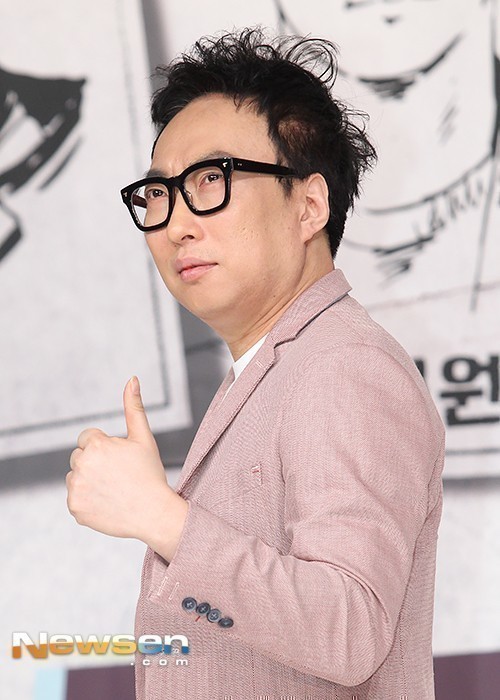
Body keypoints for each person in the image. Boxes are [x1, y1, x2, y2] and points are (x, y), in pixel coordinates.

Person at [66, 28, 445, 699]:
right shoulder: (277, 367)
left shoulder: (345, 367)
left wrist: (160, 516)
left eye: (211, 181)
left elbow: (349, 629)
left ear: (310, 205)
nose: (177, 223)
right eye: (159, 193)